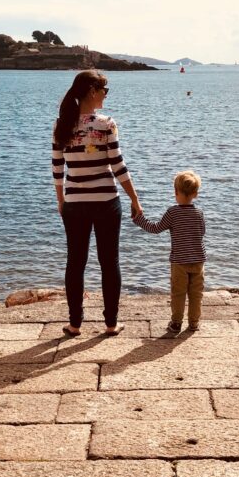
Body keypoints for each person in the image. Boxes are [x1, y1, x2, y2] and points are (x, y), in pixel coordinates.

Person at [52, 70, 142, 337]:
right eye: (105, 90)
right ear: (93, 90)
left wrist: (61, 201)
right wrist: (135, 199)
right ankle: (111, 324)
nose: (106, 95)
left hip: (74, 204)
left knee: (75, 263)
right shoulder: (106, 124)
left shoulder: (62, 124)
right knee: (109, 262)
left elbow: (57, 169)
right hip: (105, 202)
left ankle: (74, 324)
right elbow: (118, 166)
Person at [132, 170, 207, 333]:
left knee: (178, 293)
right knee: (196, 294)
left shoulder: (173, 212)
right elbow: (202, 232)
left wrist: (139, 220)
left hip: (179, 261)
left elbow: (155, 228)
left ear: (176, 192)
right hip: (198, 260)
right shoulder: (199, 213)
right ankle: (194, 323)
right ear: (195, 194)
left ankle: (176, 323)